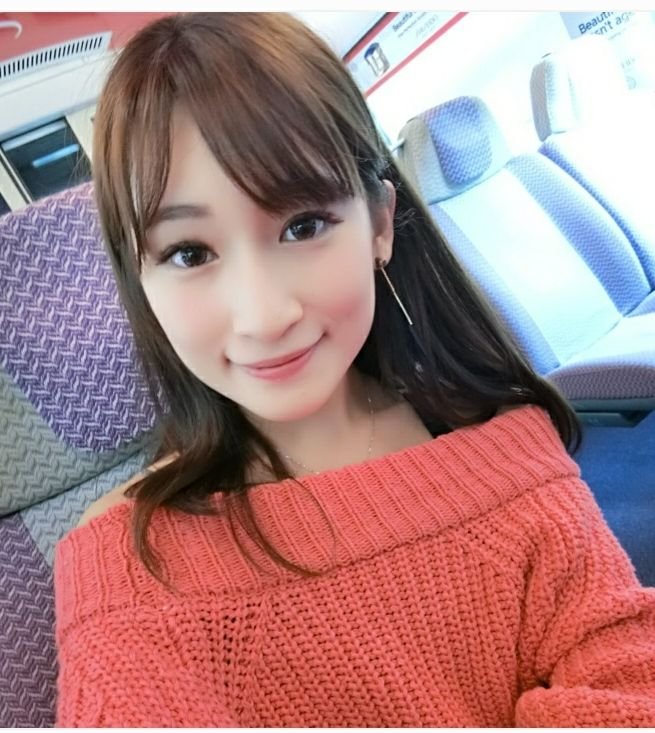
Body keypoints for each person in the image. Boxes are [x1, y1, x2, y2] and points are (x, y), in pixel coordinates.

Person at [54, 12, 655, 727]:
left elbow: (625, 673)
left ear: (378, 223)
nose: (263, 315)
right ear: (142, 282)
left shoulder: (504, 445)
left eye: (302, 225)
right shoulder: (130, 561)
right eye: (189, 253)